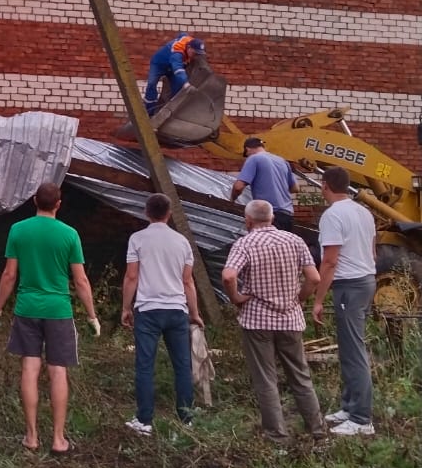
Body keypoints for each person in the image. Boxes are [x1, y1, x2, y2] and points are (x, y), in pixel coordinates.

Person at [0, 182, 100, 455]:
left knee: (29, 368)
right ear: (59, 204)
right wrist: (91, 315)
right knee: (58, 370)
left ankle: (31, 436)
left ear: (34, 200)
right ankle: (59, 439)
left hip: (27, 308)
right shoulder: (70, 234)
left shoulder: (18, 230)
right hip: (58, 310)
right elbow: (81, 280)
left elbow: (9, 275)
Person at [222, 199, 325, 445]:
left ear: (248, 221)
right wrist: (298, 299)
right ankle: (318, 431)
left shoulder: (244, 243)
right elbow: (314, 277)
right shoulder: (295, 241)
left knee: (266, 379)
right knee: (300, 376)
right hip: (290, 320)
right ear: (272, 218)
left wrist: (236, 297)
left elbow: (228, 275)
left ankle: (277, 437)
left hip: (257, 321)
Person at [121, 193, 203, 435]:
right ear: (169, 213)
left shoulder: (137, 239)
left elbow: (132, 276)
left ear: (147, 212)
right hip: (177, 310)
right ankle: (186, 417)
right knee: (182, 365)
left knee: (145, 366)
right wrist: (194, 313)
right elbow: (188, 282)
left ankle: (144, 420)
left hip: (147, 310)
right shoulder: (182, 242)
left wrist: (126, 307)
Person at [313, 166, 376, 437]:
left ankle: (362, 419)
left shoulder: (332, 216)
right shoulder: (364, 212)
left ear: (325, 185)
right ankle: (350, 407)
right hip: (365, 280)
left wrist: (318, 299)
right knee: (350, 347)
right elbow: (372, 252)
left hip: (348, 286)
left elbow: (330, 261)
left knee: (353, 351)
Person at [230, 137, 298, 231]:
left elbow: (238, 187)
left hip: (267, 215)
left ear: (247, 149)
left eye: (247, 154)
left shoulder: (254, 158)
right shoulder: (282, 161)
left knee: (264, 244)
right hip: (287, 214)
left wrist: (232, 200)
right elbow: (295, 188)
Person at [144, 34, 206, 115]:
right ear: (189, 48)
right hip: (159, 64)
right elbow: (177, 68)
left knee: (177, 88)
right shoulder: (177, 52)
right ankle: (150, 111)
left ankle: (170, 111)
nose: (195, 56)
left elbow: (182, 34)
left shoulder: (191, 42)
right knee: (151, 84)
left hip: (171, 68)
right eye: (195, 53)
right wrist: (186, 84)